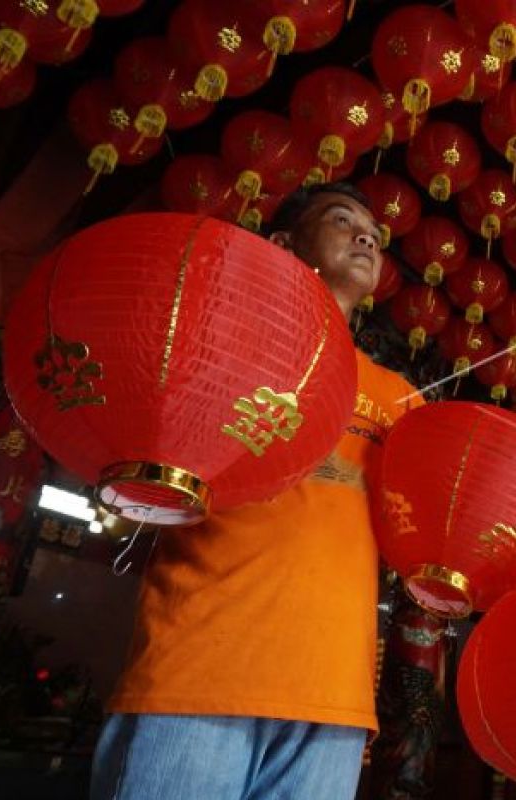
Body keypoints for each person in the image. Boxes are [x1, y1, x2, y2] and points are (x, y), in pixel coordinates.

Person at [90, 182, 423, 800]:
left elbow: (440, 522)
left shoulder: (399, 397)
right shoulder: (214, 345)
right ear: (284, 246)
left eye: (374, 231)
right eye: (342, 220)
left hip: (333, 700)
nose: (366, 236)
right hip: (199, 671)